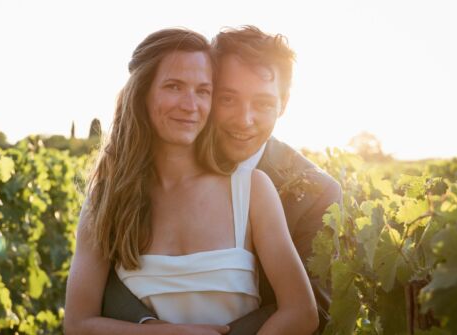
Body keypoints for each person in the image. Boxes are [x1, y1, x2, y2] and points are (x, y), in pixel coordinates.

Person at [64, 27, 319, 335]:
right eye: (174, 86)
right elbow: (77, 325)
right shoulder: (106, 200)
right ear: (142, 93)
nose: (190, 104)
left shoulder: (251, 189)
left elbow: (302, 313)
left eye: (203, 91)